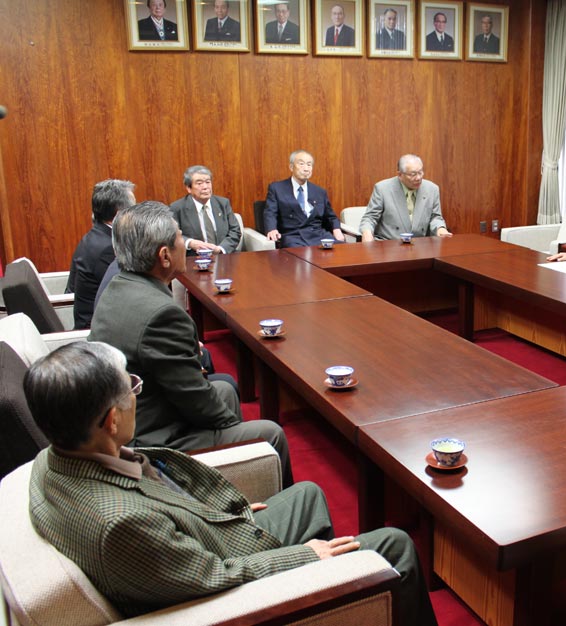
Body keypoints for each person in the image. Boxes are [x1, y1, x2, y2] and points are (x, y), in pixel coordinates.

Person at [25, 341, 438, 625]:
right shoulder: (120, 525)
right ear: (112, 421)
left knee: (307, 495)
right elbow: (212, 577)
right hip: (225, 583)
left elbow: (160, 509)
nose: (136, 393)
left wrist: (220, 513)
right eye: (131, 387)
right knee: (395, 545)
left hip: (199, 538)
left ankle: (338, 601)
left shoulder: (53, 458)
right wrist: (304, 558)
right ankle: (326, 589)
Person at [89, 201, 293, 484]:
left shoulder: (118, 285)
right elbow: (195, 399)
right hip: (151, 440)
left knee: (225, 389)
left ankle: (237, 478)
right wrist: (237, 437)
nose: (185, 243)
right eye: (180, 237)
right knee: (270, 435)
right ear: (164, 256)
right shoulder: (162, 314)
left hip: (131, 414)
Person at [65, 180, 135, 330]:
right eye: (133, 210)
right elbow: (124, 294)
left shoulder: (96, 236)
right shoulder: (108, 248)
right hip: (96, 330)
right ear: (119, 215)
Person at [360, 154, 451, 242]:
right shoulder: (382, 189)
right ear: (400, 175)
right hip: (388, 243)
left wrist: (440, 228)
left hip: (419, 244)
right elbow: (370, 217)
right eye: (413, 174)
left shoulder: (432, 189)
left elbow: (435, 217)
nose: (418, 178)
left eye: (420, 172)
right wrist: (367, 232)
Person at [263, 150, 344, 248]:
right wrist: (271, 229)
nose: (306, 169)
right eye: (301, 164)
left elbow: (331, 216)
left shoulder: (319, 192)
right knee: (300, 254)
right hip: (293, 237)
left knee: (343, 250)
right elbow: (270, 212)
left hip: (318, 235)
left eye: (309, 165)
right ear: (291, 167)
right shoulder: (277, 188)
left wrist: (336, 229)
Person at [169, 165, 242, 256]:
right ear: (189, 188)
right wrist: (190, 243)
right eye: (199, 183)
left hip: (223, 257)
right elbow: (171, 235)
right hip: (194, 258)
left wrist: (220, 249)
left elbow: (235, 231)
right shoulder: (177, 208)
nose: (205, 187)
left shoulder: (223, 203)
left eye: (208, 182)